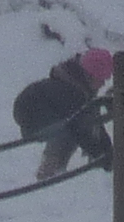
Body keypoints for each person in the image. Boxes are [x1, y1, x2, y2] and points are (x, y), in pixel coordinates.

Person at [11, 47, 115, 180]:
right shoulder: (70, 92)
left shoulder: (80, 89)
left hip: (41, 112)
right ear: (90, 75)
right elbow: (80, 130)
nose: (104, 83)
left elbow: (95, 122)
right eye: (101, 79)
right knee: (68, 131)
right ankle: (50, 171)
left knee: (74, 125)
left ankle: (57, 169)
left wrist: (108, 152)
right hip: (31, 116)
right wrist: (100, 155)